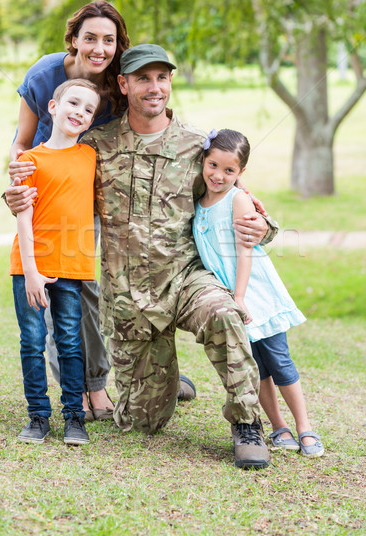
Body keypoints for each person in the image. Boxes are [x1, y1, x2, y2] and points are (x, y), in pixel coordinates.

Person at [79, 44, 280, 469]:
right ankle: (169, 384)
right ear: (124, 84)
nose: (155, 88)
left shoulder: (196, 146)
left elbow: (234, 195)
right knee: (141, 423)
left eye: (162, 78)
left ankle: (246, 424)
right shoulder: (96, 145)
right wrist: (21, 190)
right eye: (144, 78)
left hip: (185, 279)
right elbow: (58, 189)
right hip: (128, 298)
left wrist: (265, 228)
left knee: (225, 313)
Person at [6, 0, 131, 420]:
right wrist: (16, 181)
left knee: (85, 291)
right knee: (51, 288)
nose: (99, 48)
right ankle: (77, 392)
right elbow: (21, 141)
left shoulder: (118, 85)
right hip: (42, 191)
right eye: (90, 37)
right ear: (74, 39)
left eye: (109, 40)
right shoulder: (44, 75)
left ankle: (95, 385)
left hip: (90, 196)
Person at [192, 128, 324, 458]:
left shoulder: (238, 199)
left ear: (240, 173)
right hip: (230, 294)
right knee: (255, 367)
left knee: (279, 361)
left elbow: (245, 251)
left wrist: (239, 297)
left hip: (253, 292)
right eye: (212, 165)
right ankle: (279, 426)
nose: (217, 175)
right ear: (203, 161)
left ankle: (305, 427)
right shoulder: (199, 201)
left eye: (229, 170)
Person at [10, 78, 101, 445]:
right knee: (32, 341)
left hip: (73, 266)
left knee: (70, 342)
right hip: (30, 266)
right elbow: (22, 216)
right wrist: (31, 270)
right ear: (52, 107)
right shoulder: (29, 160)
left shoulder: (91, 157)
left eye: (88, 109)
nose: (78, 112)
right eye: (73, 104)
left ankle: (74, 417)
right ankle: (37, 416)